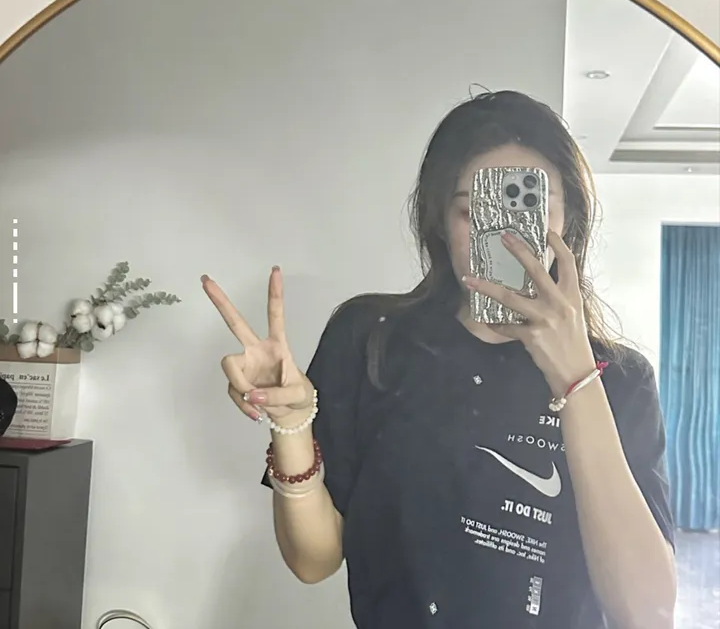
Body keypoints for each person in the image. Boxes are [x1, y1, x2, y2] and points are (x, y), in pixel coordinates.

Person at [202, 91, 676, 629]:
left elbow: (647, 613)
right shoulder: (372, 339)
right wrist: (290, 425)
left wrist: (576, 379)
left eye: (529, 208)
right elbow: (314, 562)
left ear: (568, 222)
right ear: (440, 223)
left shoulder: (622, 381)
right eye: (474, 210)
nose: (503, 236)